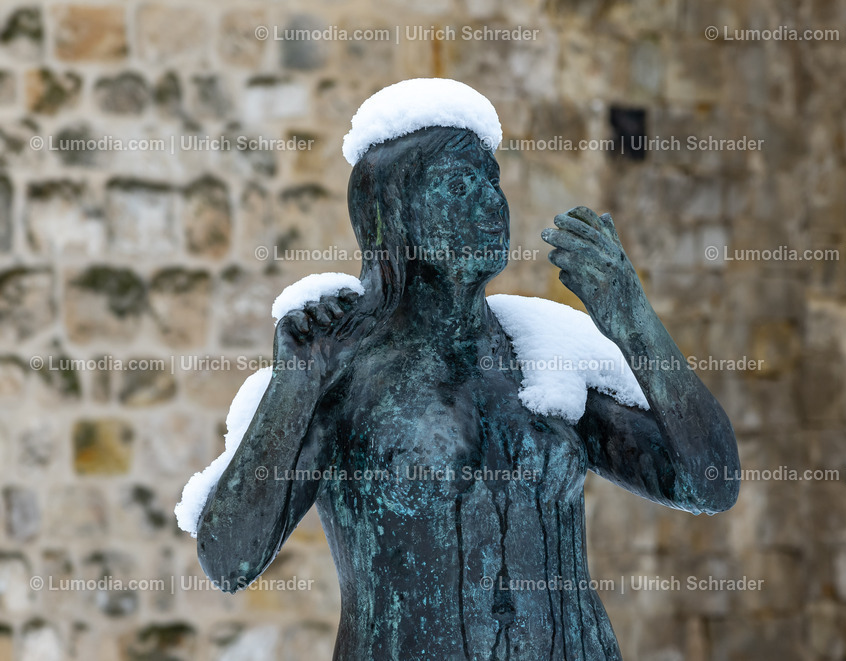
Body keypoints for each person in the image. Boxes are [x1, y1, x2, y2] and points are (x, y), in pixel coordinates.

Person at [195, 79, 739, 660]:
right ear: (396, 217)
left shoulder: (542, 352)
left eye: (491, 180)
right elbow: (230, 560)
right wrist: (291, 392)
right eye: (458, 185)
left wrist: (632, 322)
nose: (490, 201)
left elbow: (708, 484)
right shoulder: (337, 367)